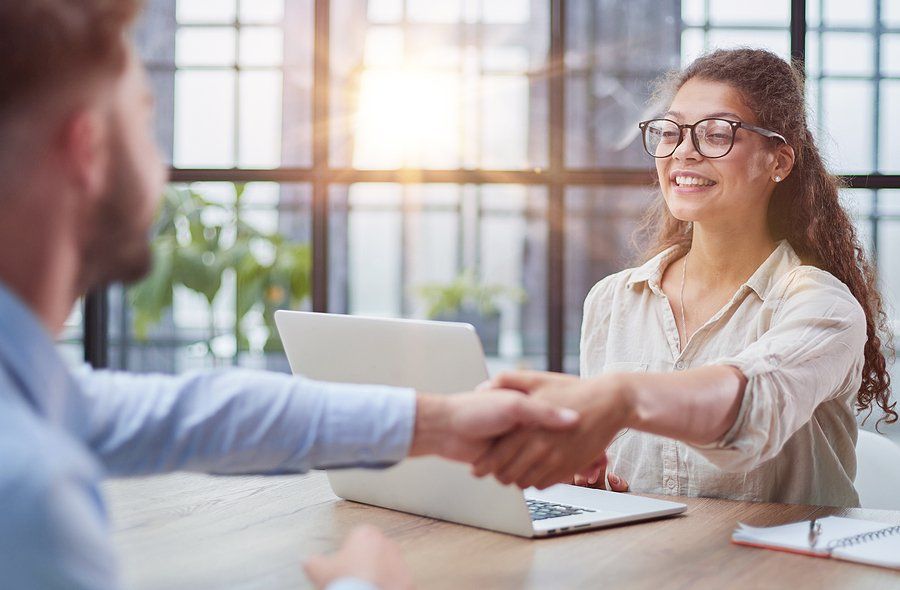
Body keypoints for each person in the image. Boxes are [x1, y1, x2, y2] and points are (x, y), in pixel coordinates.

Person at [0, 2, 582, 589]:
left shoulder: (24, 393)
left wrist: (438, 421)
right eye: (146, 121)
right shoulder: (30, 495)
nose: (162, 162)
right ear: (88, 151)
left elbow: (183, 414)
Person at [474, 48, 896, 507]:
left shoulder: (822, 306)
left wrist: (622, 396)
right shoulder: (613, 300)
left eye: (717, 134)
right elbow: (613, 465)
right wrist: (593, 486)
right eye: (670, 132)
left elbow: (756, 408)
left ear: (779, 162)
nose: (683, 152)